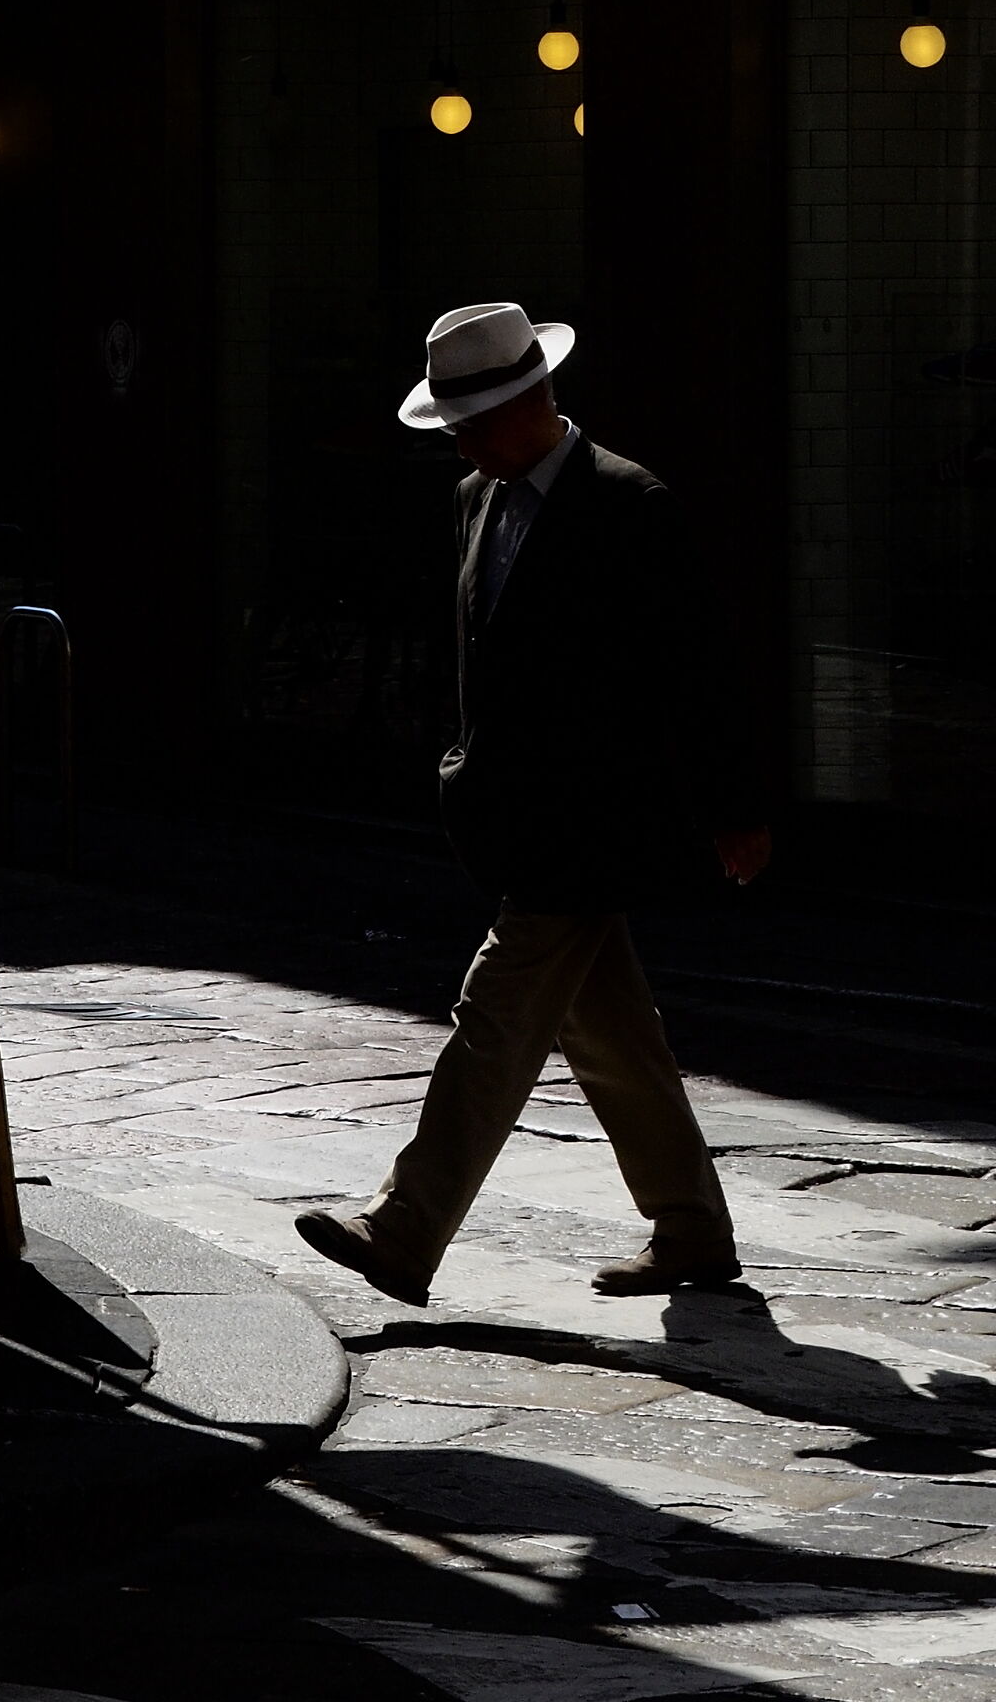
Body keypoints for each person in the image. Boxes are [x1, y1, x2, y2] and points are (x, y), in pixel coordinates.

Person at [296, 302, 771, 1306]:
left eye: (468, 421)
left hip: (596, 823)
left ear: (528, 401)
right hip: (524, 823)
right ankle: (691, 1228)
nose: (458, 441)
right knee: (607, 1032)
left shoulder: (628, 502)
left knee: (496, 1016)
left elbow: (698, 669)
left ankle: (404, 1224)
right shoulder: (478, 496)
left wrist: (735, 804)